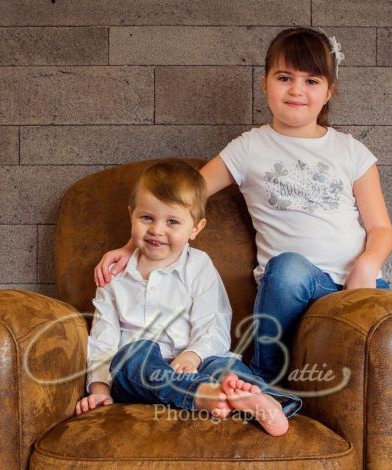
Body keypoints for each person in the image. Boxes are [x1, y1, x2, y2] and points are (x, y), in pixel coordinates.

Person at [94, 27, 392, 384]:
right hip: (288, 288)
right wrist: (131, 246)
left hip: (353, 285)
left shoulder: (351, 151)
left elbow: (381, 229)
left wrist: (367, 264)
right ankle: (264, 379)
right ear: (265, 83)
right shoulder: (249, 148)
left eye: (311, 81)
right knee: (287, 267)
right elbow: (182, 201)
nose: (297, 90)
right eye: (285, 78)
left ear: (329, 91)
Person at [75, 159, 302, 436]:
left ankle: (266, 401)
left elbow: (214, 322)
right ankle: (204, 395)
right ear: (131, 215)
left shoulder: (198, 265)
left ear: (195, 228)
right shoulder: (114, 274)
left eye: (172, 221)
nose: (157, 229)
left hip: (198, 360)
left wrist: (193, 356)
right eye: (147, 217)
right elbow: (103, 337)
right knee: (129, 357)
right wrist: (99, 388)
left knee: (224, 365)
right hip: (145, 373)